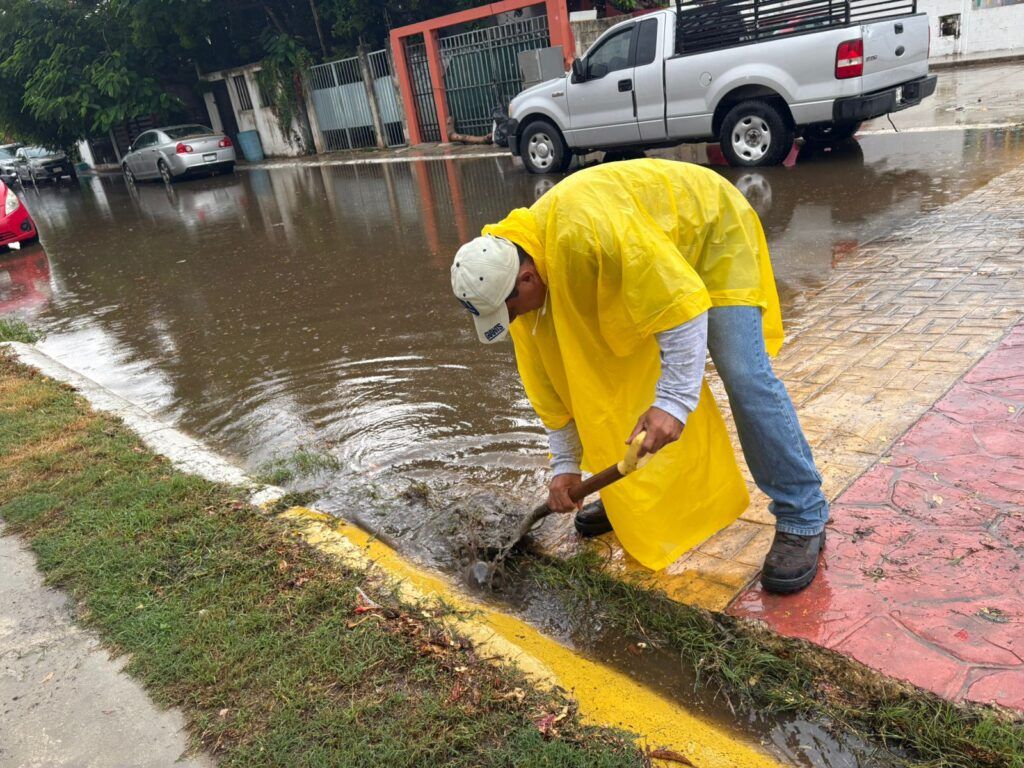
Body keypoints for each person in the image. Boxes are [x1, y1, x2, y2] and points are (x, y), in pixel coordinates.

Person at [450, 159, 828, 594]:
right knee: (609, 371)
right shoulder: (519, 281)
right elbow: (554, 388)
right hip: (653, 262)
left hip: (707, 236)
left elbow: (677, 304)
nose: (512, 318)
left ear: (528, 277)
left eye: (510, 309)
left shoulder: (585, 232)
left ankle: (802, 512)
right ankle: (627, 492)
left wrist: (674, 401)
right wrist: (566, 467)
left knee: (744, 375)